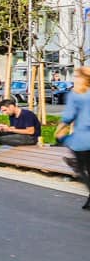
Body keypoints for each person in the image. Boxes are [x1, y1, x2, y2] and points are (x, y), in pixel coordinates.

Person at [59, 66, 90, 210]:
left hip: (83, 139)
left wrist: (59, 130)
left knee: (82, 169)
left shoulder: (76, 93)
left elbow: (68, 116)